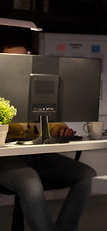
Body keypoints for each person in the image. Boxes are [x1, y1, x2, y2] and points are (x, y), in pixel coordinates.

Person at [0, 40, 97, 231]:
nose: (20, 64)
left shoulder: (34, 84)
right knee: (30, 183)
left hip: (35, 153)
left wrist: (59, 130)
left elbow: (48, 117)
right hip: (5, 158)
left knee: (87, 175)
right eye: (14, 59)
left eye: (24, 58)